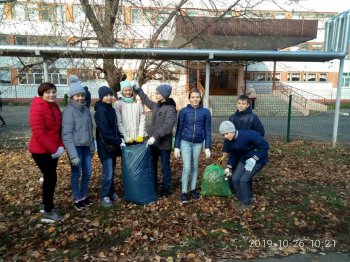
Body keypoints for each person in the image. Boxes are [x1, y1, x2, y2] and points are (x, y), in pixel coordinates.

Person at [28, 82, 65, 223]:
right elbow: (39, 133)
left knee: (50, 177)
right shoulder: (37, 108)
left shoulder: (53, 105)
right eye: (48, 92)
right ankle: (48, 211)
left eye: (53, 92)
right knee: (51, 178)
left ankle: (46, 205)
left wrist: (60, 145)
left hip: (53, 150)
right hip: (40, 151)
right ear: (41, 94)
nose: (51, 95)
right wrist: (54, 149)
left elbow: (58, 128)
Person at [133, 82, 177, 197]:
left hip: (164, 145)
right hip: (154, 144)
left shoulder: (171, 109)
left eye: (158, 93)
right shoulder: (156, 106)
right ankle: (153, 187)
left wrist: (155, 136)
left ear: (164, 95)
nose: (156, 95)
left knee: (165, 167)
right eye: (156, 93)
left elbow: (168, 127)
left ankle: (166, 189)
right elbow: (146, 100)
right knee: (152, 167)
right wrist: (138, 90)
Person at [219, 121, 269, 211]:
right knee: (235, 178)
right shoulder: (228, 141)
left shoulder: (249, 135)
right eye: (223, 135)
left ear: (232, 130)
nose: (225, 136)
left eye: (226, 133)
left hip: (258, 160)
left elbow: (265, 146)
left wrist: (254, 158)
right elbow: (233, 154)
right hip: (244, 159)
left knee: (244, 180)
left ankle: (247, 204)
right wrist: (229, 167)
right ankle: (242, 199)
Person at [62, 75, 94, 211]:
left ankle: (84, 195)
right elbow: (66, 134)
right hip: (75, 148)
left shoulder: (86, 110)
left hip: (86, 147)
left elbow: (90, 130)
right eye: (77, 96)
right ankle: (77, 198)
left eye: (82, 95)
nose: (80, 98)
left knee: (87, 172)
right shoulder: (69, 112)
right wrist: (73, 155)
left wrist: (92, 146)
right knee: (77, 173)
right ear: (72, 97)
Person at [174, 88, 212, 203]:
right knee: (187, 167)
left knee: (195, 166)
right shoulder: (184, 111)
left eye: (197, 97)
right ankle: (184, 192)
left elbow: (208, 130)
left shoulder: (205, 112)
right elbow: (179, 129)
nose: (195, 99)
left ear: (200, 98)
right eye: (193, 97)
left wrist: (207, 146)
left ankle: (193, 189)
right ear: (189, 98)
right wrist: (176, 146)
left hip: (198, 143)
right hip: (185, 142)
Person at [94, 86, 125, 207]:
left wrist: (120, 138)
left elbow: (115, 127)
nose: (108, 98)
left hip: (112, 146)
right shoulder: (101, 111)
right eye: (105, 96)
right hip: (105, 147)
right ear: (101, 97)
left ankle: (111, 193)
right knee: (108, 173)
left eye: (110, 95)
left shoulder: (110, 109)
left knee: (111, 172)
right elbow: (106, 132)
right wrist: (118, 141)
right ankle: (105, 196)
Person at [114, 80, 147, 145]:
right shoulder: (118, 104)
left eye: (129, 90)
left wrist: (141, 134)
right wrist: (125, 137)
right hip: (126, 139)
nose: (128, 92)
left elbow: (142, 119)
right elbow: (119, 122)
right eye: (125, 90)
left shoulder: (137, 103)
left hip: (138, 137)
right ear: (122, 91)